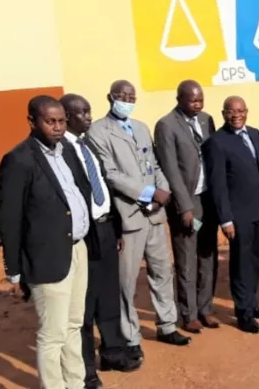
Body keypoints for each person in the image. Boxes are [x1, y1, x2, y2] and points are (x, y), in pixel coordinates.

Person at [0, 95, 100, 389]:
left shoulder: (66, 149)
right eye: (50, 121)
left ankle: (76, 384)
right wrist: (14, 270)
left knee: (73, 325)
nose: (57, 127)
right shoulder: (18, 160)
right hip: (46, 258)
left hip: (77, 249)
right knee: (53, 333)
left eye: (61, 121)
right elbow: (10, 219)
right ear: (32, 121)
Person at [87, 80, 190, 363]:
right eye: (122, 96)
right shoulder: (98, 132)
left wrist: (163, 190)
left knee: (162, 272)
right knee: (126, 282)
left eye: (131, 97)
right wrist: (147, 193)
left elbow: (155, 165)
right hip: (129, 217)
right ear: (110, 98)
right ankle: (130, 337)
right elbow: (110, 174)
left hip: (156, 214)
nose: (127, 100)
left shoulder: (141, 128)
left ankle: (167, 325)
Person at [60, 94, 141, 388]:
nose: (88, 116)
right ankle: (86, 370)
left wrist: (116, 229)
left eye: (89, 111)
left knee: (108, 296)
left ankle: (113, 352)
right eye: (81, 112)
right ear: (66, 116)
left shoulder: (85, 146)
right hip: (86, 235)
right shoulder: (61, 151)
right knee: (85, 304)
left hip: (107, 229)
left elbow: (102, 186)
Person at [203, 96, 259, 333]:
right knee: (241, 264)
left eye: (241, 111)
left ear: (247, 111)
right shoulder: (217, 142)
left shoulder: (254, 134)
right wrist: (226, 218)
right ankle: (243, 313)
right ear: (223, 113)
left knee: (255, 261)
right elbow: (218, 184)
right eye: (231, 112)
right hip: (238, 215)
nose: (236, 115)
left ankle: (252, 304)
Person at [154, 80, 219, 334]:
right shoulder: (166, 125)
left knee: (207, 256)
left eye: (201, 99)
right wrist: (184, 206)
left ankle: (205, 309)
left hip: (208, 200)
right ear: (179, 98)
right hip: (187, 203)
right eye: (193, 100)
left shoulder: (206, 119)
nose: (198, 104)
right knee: (186, 259)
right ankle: (188, 313)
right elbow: (170, 169)